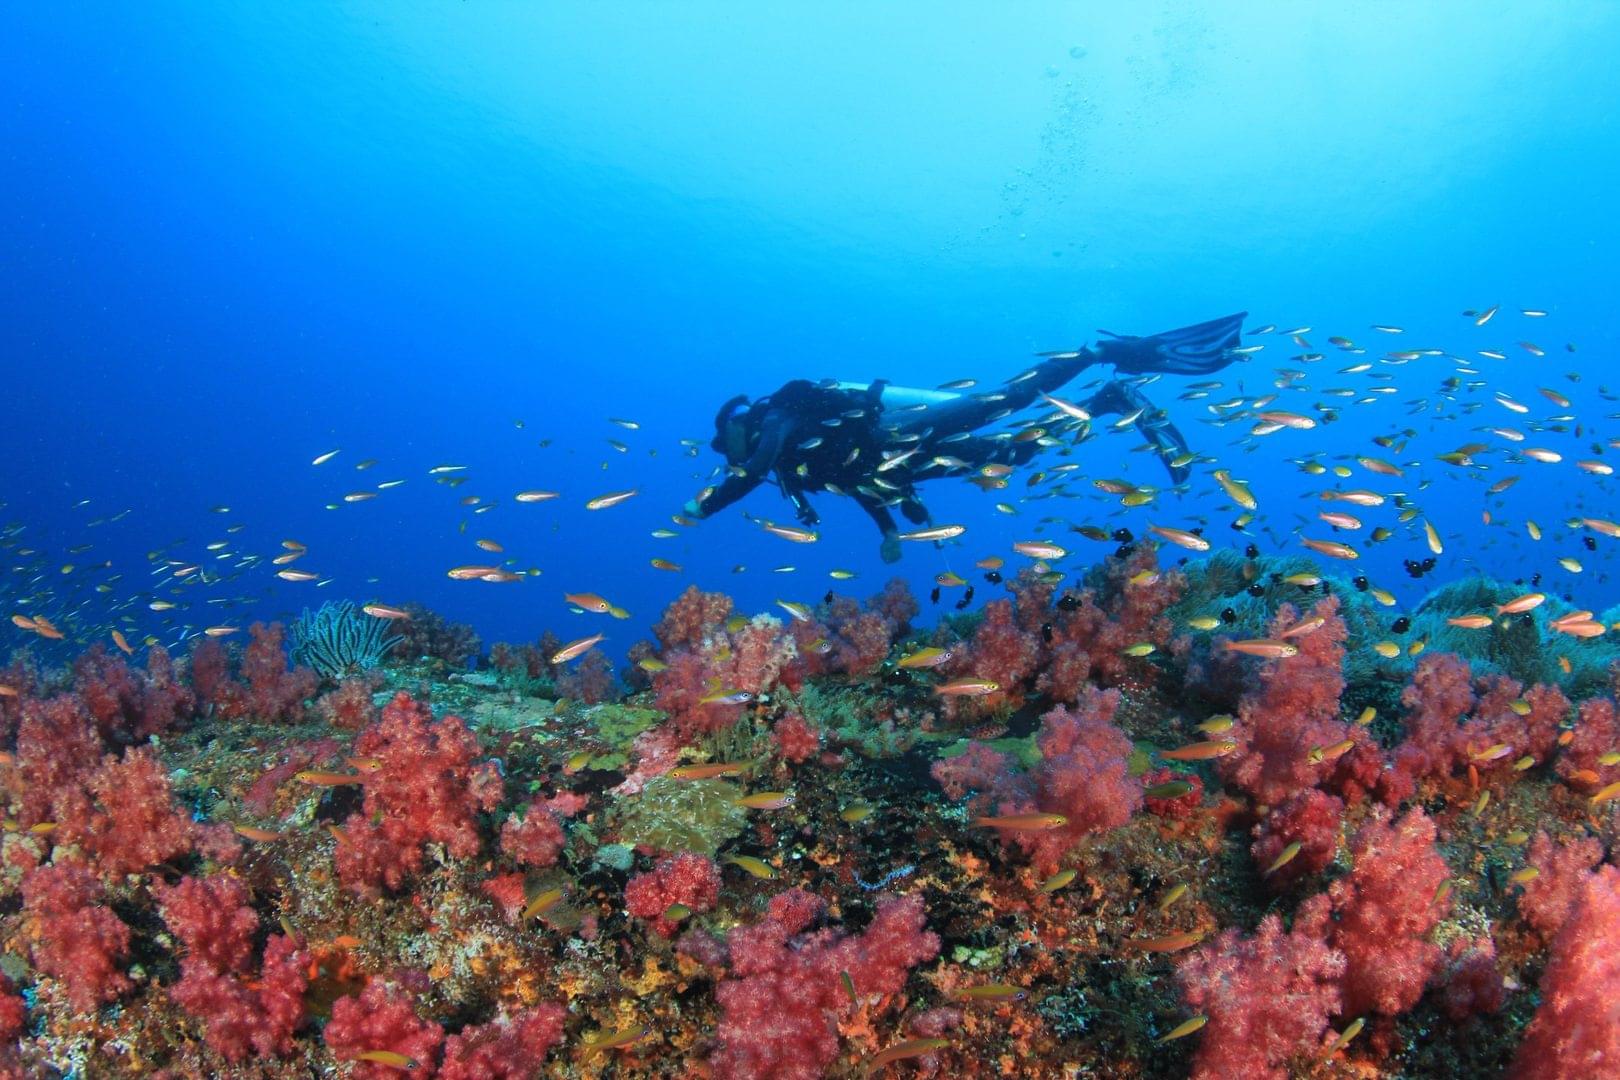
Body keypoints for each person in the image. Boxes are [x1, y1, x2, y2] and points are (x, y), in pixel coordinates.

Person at [683, 312, 1247, 562]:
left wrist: (705, 507)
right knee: (1008, 455)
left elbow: (750, 471)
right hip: (903, 463)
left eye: (724, 443)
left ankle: (1096, 352)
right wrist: (891, 530)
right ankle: (1106, 401)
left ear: (738, 426)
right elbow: (855, 483)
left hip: (902, 431)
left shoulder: (778, 422)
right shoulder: (789, 466)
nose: (725, 455)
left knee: (1002, 401)